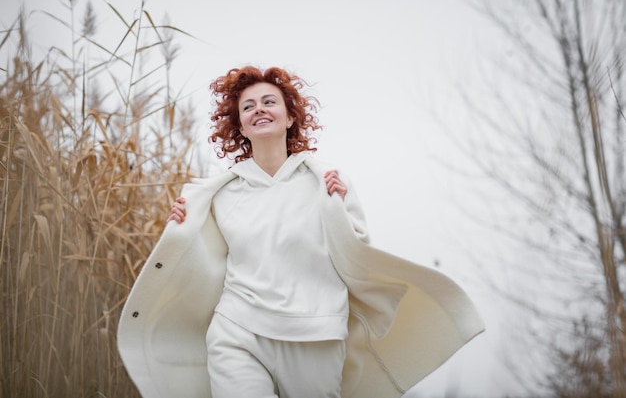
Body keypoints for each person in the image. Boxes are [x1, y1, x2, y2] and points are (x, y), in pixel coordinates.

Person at [117, 66, 485, 398]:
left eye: (269, 102)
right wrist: (180, 228)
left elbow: (356, 251)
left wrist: (338, 207)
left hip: (316, 336)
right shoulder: (219, 193)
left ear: (290, 117)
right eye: (248, 107)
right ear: (240, 126)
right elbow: (199, 259)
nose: (258, 109)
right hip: (236, 331)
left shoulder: (327, 182)